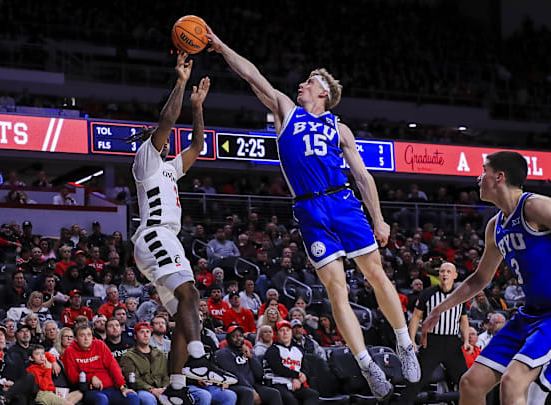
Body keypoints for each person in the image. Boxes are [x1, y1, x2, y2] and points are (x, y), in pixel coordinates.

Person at [206, 27, 419, 399]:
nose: (301, 84)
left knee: (375, 274)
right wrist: (222, 47)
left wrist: (379, 217)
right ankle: (367, 366)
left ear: (324, 92)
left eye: (309, 81)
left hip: (343, 201)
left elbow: (363, 176)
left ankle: (404, 344)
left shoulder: (340, 128)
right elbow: (253, 75)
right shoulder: (286, 111)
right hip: (309, 207)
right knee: (336, 290)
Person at [127, 52, 236, 404]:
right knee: (190, 294)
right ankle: (200, 360)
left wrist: (199, 106)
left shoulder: (171, 168)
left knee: (186, 310)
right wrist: (181, 82)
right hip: (155, 234)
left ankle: (176, 387)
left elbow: (197, 146)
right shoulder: (145, 158)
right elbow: (167, 119)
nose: (158, 134)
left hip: (165, 239)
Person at [421, 151, 551, 403]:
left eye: (483, 171)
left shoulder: (534, 206)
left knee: (513, 382)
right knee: (471, 384)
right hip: (530, 315)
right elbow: (480, 278)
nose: (478, 178)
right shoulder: (495, 226)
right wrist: (440, 309)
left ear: (499, 177)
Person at [400, 262, 471, 404]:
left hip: (452, 343)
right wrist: (412, 340)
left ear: (455, 275)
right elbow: (415, 318)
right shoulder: (427, 293)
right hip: (432, 342)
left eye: (448, 271)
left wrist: (467, 340)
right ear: (438, 275)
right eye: (442, 271)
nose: (445, 274)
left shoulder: (460, 296)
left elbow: (463, 320)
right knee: (416, 381)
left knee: (466, 382)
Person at [62, 324, 139, 405]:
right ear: (76, 339)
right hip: (88, 390)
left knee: (132, 397)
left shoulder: (99, 345)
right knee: (102, 399)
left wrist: (122, 387)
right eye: (82, 335)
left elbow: (113, 367)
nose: (86, 338)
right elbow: (72, 376)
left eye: (89, 335)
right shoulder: (69, 351)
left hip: (110, 388)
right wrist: (91, 378)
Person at [216, 324, 282, 405]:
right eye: (234, 336)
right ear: (228, 338)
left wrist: (250, 357)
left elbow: (259, 374)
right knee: (248, 393)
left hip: (252, 385)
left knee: (274, 393)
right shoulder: (223, 353)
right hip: (234, 385)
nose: (238, 338)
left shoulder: (248, 351)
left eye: (240, 336)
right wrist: (252, 389)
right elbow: (235, 374)